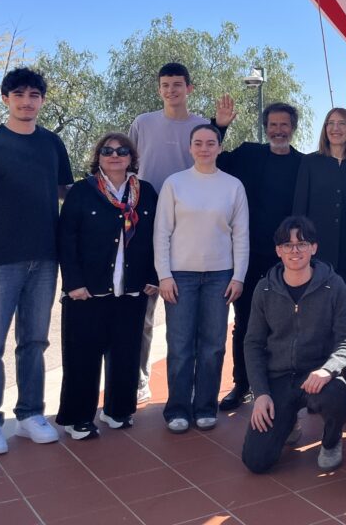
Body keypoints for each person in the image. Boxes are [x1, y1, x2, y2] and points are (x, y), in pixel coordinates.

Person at [0, 67, 73, 456]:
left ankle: (29, 415)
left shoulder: (52, 144)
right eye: (19, 94)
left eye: (34, 95)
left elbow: (66, 196)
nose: (27, 101)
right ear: (5, 98)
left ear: (42, 100)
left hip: (44, 260)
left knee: (34, 342)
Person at [55, 133, 159, 439]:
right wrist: (73, 283)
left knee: (126, 353)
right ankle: (78, 419)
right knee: (83, 357)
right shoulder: (82, 192)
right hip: (88, 291)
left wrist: (153, 276)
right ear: (98, 156)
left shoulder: (146, 192)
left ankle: (119, 410)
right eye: (108, 150)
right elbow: (66, 239)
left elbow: (158, 236)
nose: (115, 155)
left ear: (131, 157)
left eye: (122, 151)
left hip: (131, 289)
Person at [241, 216, 346, 474]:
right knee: (256, 461)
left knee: (337, 395)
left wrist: (328, 370)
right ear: (278, 251)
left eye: (302, 243)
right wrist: (260, 393)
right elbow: (253, 344)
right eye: (287, 244)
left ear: (313, 248)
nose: (295, 250)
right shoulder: (264, 289)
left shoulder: (333, 285)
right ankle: (288, 421)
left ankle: (331, 441)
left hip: (317, 374)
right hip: (278, 378)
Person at [210, 98, 304, 411]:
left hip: (286, 259)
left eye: (284, 125)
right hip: (246, 255)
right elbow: (213, 157)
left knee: (286, 323)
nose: (279, 130)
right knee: (246, 322)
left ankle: (284, 383)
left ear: (293, 129)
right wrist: (219, 125)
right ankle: (243, 384)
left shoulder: (304, 163)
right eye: (273, 125)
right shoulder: (249, 153)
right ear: (266, 128)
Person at [154, 124, 249, 433]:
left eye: (211, 143)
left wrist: (238, 276)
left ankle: (205, 406)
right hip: (180, 275)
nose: (205, 148)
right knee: (180, 345)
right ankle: (178, 408)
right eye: (199, 143)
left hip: (220, 276)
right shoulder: (174, 184)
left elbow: (241, 235)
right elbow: (161, 233)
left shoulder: (233, 185)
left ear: (220, 147)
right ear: (190, 148)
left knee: (212, 346)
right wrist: (164, 275)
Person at [129, 62, 209, 404]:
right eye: (165, 84)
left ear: (189, 88)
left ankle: (190, 383)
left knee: (188, 314)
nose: (171, 90)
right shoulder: (142, 123)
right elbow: (128, 166)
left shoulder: (201, 125)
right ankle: (138, 379)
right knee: (142, 310)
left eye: (177, 84)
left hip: (190, 227)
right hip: (145, 225)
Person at [292, 107, 346, 293]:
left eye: (342, 123)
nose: (336, 128)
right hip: (316, 250)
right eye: (331, 123)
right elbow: (299, 208)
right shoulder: (310, 162)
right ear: (325, 128)